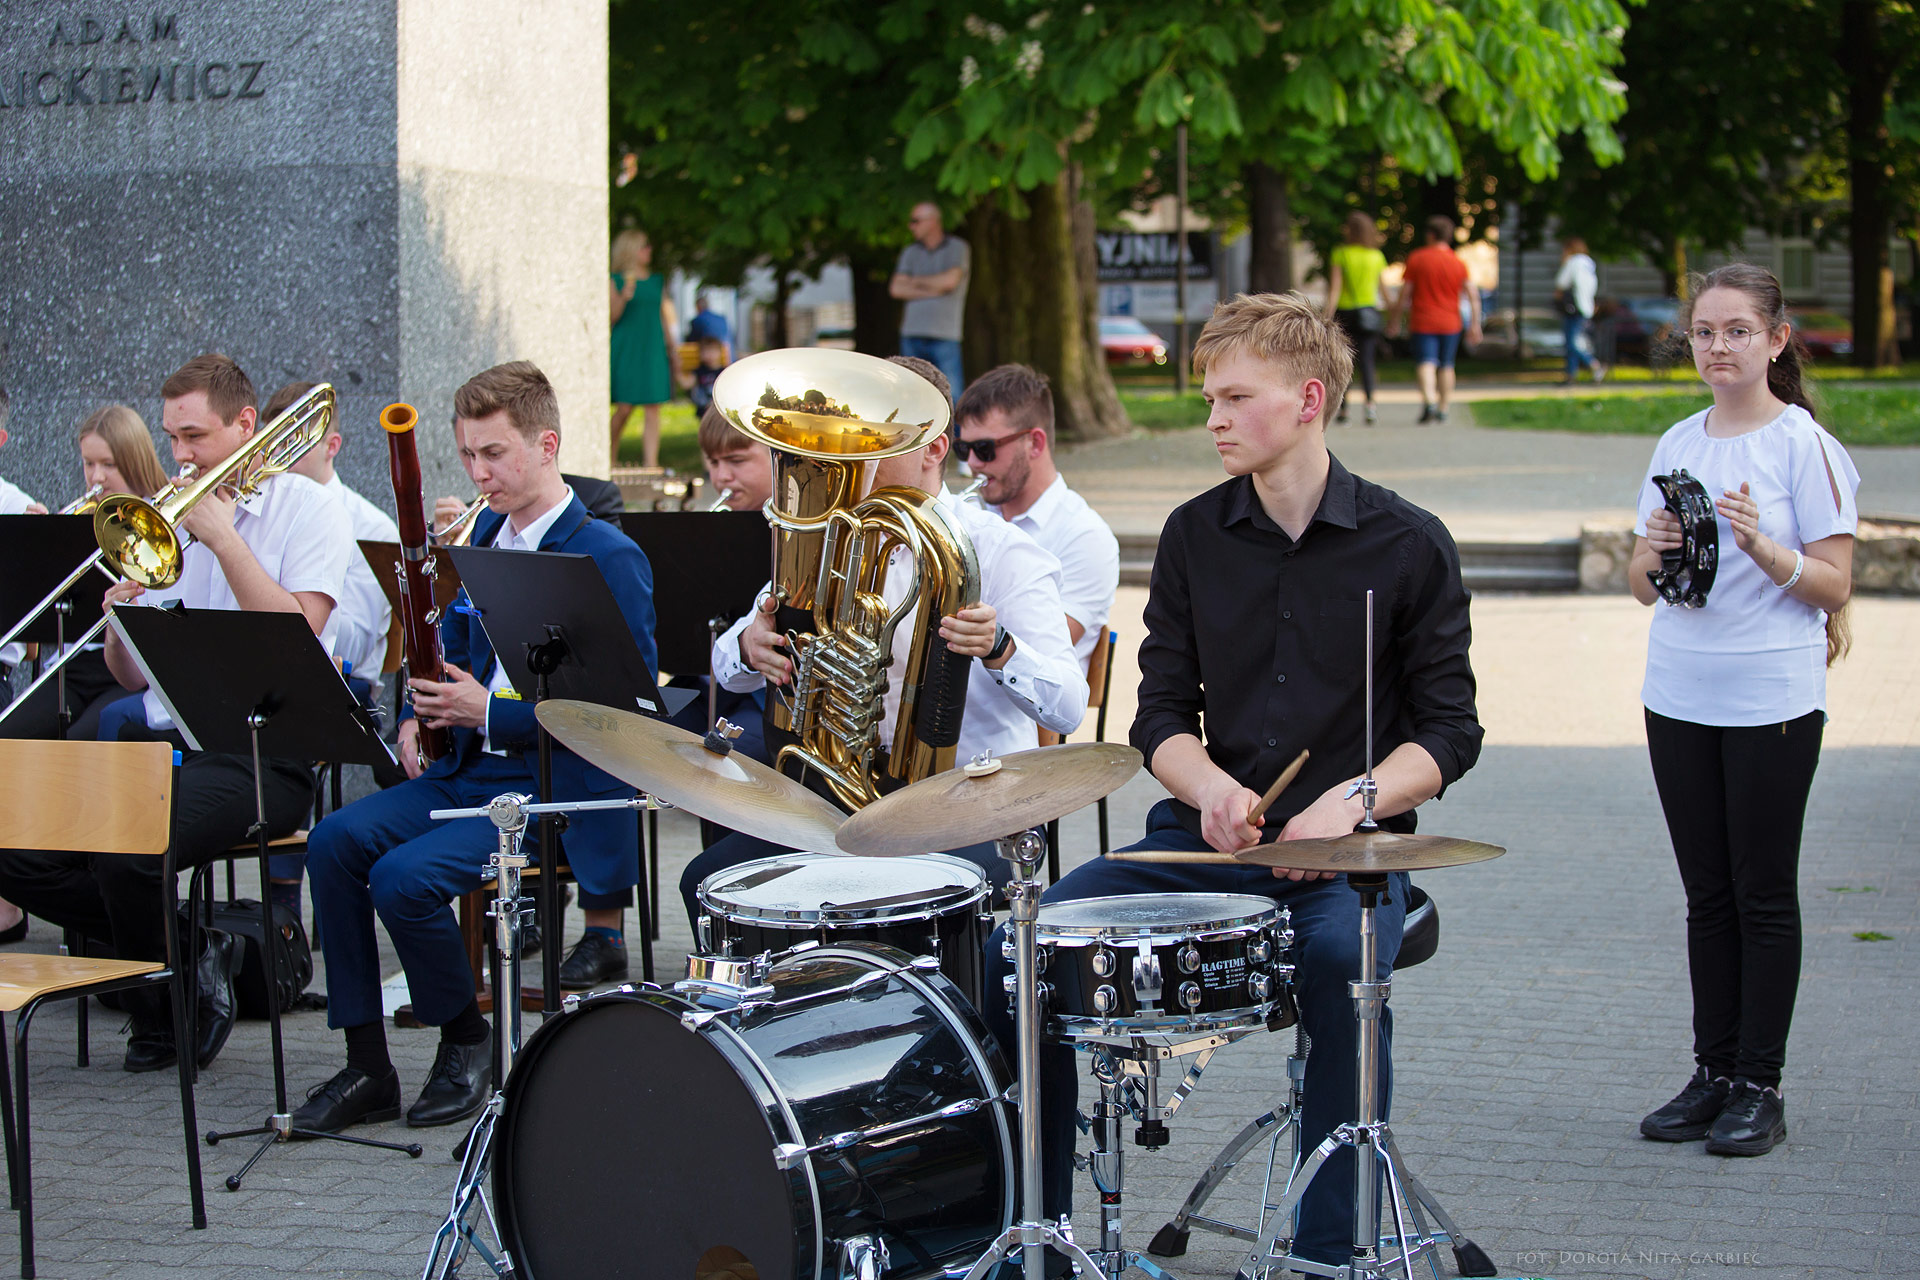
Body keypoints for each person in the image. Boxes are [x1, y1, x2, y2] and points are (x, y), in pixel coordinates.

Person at [980, 292, 1483, 1270]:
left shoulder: (1410, 543)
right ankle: (1035, 1231)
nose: (1210, 416)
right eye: (1208, 396)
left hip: (1350, 855)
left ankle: (1331, 1246)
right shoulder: (1192, 535)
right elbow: (1157, 716)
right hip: (1196, 839)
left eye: (1232, 396)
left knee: (1344, 968)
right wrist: (1210, 787)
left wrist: (1351, 803)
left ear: (1306, 399)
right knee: (1025, 949)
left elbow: (1450, 731)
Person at [293, 361, 658, 1134]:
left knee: (401, 880)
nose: (477, 471)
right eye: (466, 454)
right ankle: (366, 1065)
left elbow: (617, 714)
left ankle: (465, 1041)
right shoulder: (485, 533)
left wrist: (487, 711)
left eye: (492, 453)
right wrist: (420, 709)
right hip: (465, 770)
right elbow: (453, 641)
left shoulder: (606, 555)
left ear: (547, 443)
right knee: (332, 843)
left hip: (549, 780)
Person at [0, 354, 353, 1072]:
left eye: (195, 437)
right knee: (14, 841)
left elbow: (301, 634)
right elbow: (134, 679)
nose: (181, 457)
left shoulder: (309, 509)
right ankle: (193, 949)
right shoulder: (168, 515)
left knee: (128, 846)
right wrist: (124, 627)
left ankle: (162, 1002)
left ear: (246, 426)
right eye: (173, 440)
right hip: (168, 746)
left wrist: (223, 538)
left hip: (265, 753)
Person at [679, 355, 1088, 926]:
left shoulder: (1003, 553)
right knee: (705, 882)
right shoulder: (828, 536)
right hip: (837, 798)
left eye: (879, 441)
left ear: (935, 448)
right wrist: (750, 645)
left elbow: (1068, 703)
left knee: (882, 897)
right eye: (851, 441)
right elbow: (729, 668)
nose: (856, 458)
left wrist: (1001, 649)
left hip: (965, 808)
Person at [1629, 263, 1858, 1159]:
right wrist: (1653, 550)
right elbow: (1643, 590)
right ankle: (1712, 1071)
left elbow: (1835, 584)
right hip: (1677, 693)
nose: (1717, 347)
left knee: (1762, 893)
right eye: (1703, 332)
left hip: (1771, 697)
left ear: (1776, 339)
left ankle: (1760, 1083)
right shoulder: (1675, 441)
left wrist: (1762, 544)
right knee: (1706, 894)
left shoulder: (1806, 447)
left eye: (1736, 330)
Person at [271, 380, 402, 915]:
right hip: (272, 670)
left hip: (347, 686)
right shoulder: (265, 516)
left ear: (333, 446)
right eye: (278, 445)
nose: (287, 457)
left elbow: (354, 640)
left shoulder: (370, 525)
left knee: (282, 720)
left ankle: (281, 909)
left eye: (301, 442)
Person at [1, 405, 170, 745]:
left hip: (133, 672)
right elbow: (37, 626)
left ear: (135, 460)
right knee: (10, 736)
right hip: (75, 665)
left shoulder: (163, 520)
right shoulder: (85, 519)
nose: (96, 477)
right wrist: (35, 547)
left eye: (109, 464)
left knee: (81, 741)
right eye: (88, 463)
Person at [953, 364, 1119, 670]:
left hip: (1024, 714)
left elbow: (1044, 651)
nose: (973, 463)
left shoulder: (1086, 536)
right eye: (963, 449)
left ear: (1035, 443)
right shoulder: (968, 515)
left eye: (985, 448)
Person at [1386, 215, 1482, 424]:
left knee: (1426, 362)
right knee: (1447, 365)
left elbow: (1405, 295)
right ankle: (1444, 407)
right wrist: (1475, 324)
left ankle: (1429, 401)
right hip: (1451, 322)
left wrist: (1394, 320)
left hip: (1423, 320)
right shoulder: (1458, 262)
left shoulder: (1417, 258)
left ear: (1430, 235)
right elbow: (1473, 296)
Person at [610, 227, 676, 469]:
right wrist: (623, 297)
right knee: (624, 407)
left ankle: (651, 463)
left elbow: (663, 317)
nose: (649, 250)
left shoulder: (656, 281)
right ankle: (610, 457)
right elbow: (610, 318)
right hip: (627, 349)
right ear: (631, 249)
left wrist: (672, 348)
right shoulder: (615, 280)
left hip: (652, 349)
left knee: (653, 407)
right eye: (644, 246)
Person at [890, 202, 971, 400]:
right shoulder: (910, 252)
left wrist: (913, 282)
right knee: (911, 393)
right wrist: (936, 288)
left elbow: (950, 282)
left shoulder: (957, 248)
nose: (911, 226)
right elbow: (896, 289)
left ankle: (953, 432)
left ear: (933, 221)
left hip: (945, 334)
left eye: (916, 221)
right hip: (911, 333)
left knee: (952, 394)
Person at [1323, 210, 1388, 424]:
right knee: (1367, 361)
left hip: (1346, 313)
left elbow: (1335, 288)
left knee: (1344, 360)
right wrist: (1393, 312)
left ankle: (1344, 408)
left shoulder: (1341, 253)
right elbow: (1383, 290)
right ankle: (1370, 406)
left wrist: (1327, 316)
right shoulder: (1376, 256)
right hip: (1369, 312)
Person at [1555, 236, 1605, 384]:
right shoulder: (1589, 264)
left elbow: (1560, 282)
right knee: (1574, 341)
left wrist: (1563, 262)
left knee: (1572, 343)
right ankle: (1571, 375)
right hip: (1586, 307)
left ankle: (1594, 365)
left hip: (1573, 308)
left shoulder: (1573, 262)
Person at [686, 291, 733, 361]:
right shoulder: (721, 318)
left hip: (710, 354)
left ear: (697, 307)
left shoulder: (698, 320)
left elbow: (691, 340)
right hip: (729, 354)